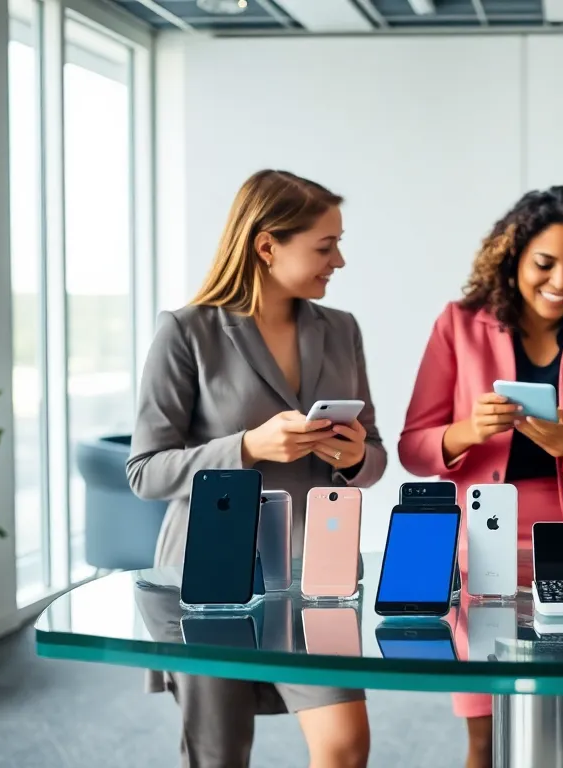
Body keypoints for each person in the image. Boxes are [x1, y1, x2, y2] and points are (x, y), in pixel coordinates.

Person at [127, 169, 386, 768]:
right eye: (325, 245)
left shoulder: (341, 330)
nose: (339, 260)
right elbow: (145, 471)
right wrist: (247, 447)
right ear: (267, 245)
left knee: (345, 747)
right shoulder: (186, 332)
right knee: (220, 756)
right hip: (208, 578)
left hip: (314, 577)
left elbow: (372, 454)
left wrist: (352, 458)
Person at [397, 185, 563, 768]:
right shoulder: (458, 325)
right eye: (545, 263)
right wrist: (466, 432)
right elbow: (413, 447)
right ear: (512, 258)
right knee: (483, 728)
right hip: (479, 542)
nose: (562, 281)